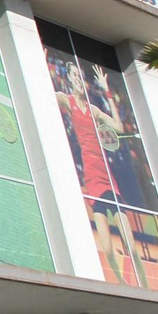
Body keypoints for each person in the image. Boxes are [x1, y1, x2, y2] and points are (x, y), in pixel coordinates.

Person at [54, 60, 131, 283]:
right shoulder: (67, 101)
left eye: (81, 76)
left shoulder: (94, 110)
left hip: (107, 174)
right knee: (107, 247)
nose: (79, 80)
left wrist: (107, 92)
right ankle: (119, 281)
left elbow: (118, 127)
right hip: (91, 174)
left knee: (128, 240)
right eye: (74, 76)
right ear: (69, 79)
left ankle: (132, 277)